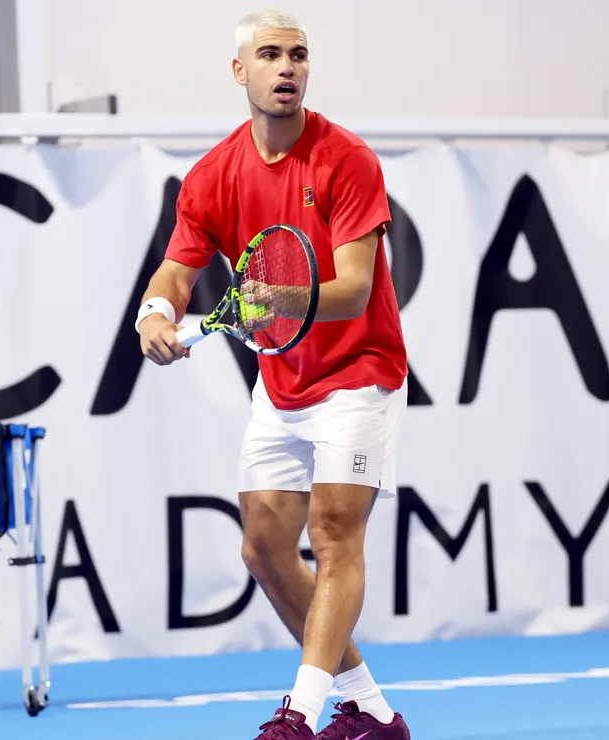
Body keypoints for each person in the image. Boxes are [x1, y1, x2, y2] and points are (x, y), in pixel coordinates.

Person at [136, 9, 412, 740]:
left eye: (298, 55)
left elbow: (354, 286)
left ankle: (302, 715)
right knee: (262, 546)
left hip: (360, 371)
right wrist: (154, 315)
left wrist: (280, 300)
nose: (287, 67)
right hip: (283, 380)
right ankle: (375, 714)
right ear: (241, 72)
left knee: (333, 532)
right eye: (270, 55)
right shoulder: (212, 176)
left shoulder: (346, 158)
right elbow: (176, 267)